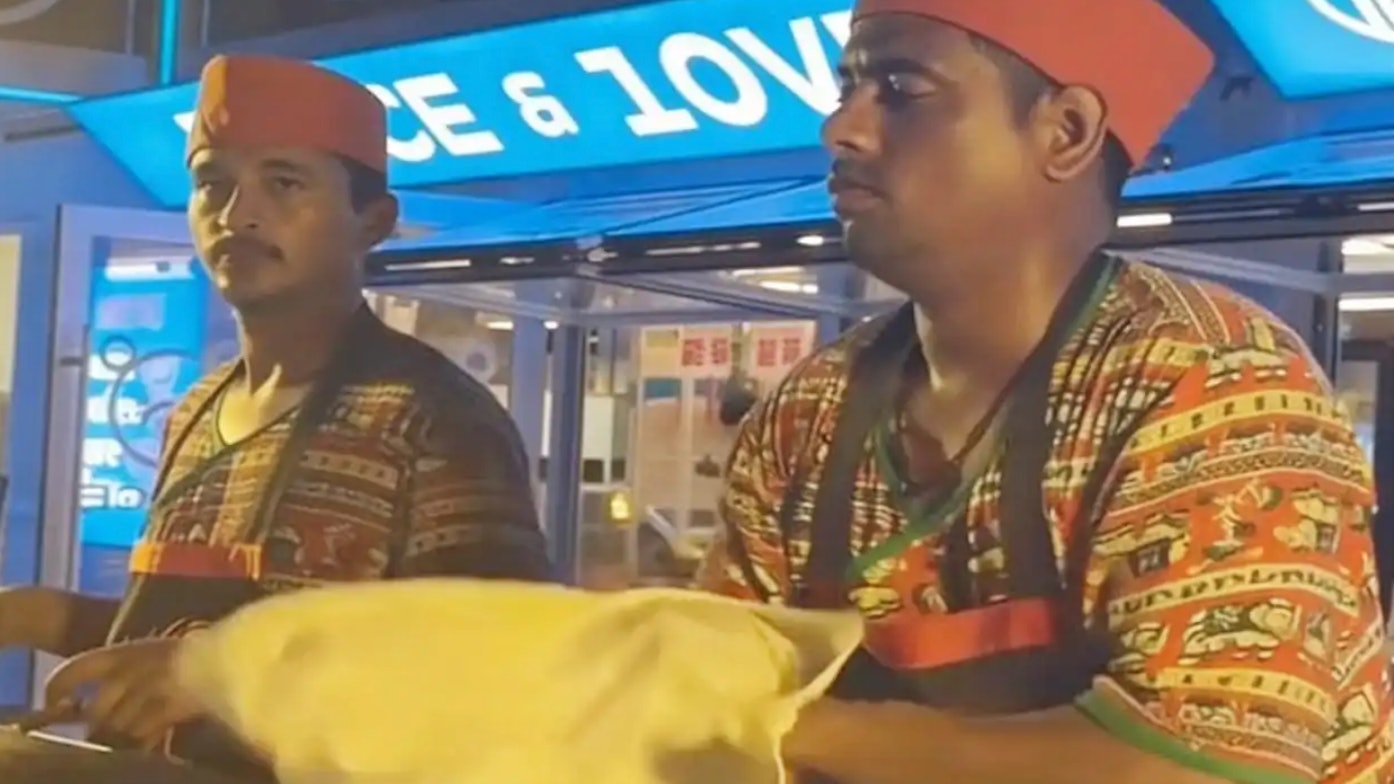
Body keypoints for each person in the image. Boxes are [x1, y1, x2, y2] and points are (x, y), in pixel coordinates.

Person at [697, 2, 1393, 784]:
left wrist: (790, 728)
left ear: (1065, 132)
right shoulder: (807, 416)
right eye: (845, 90)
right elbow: (714, 679)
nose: (841, 129)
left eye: (900, 90)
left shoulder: (1215, 379)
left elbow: (1203, 768)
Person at [1, 54, 552, 777]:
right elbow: (185, 633)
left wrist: (226, 676)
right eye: (212, 183)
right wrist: (39, 615)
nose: (238, 215)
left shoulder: (432, 418)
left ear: (373, 221)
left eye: (284, 182)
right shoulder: (196, 410)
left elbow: (502, 666)